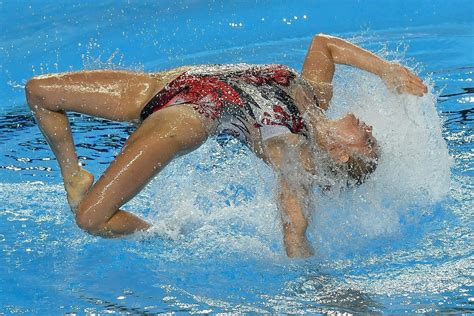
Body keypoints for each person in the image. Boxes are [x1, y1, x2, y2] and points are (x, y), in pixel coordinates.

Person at [25, 34, 427, 257]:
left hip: (186, 116)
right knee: (39, 92)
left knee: (91, 219)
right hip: (164, 84)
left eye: (367, 141)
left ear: (340, 155)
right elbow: (324, 45)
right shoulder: (316, 100)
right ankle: (74, 176)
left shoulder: (296, 154)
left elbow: (295, 230)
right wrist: (385, 69)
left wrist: (318, 289)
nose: (369, 127)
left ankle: (162, 235)